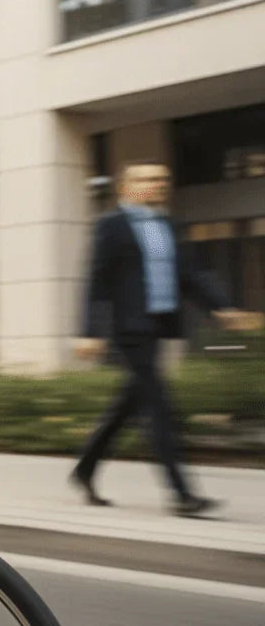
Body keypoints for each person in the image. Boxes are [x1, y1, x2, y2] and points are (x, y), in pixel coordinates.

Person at [72, 161, 261, 515]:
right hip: (130, 329)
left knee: (130, 403)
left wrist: (223, 308)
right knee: (158, 406)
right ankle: (182, 494)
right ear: (126, 187)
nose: (157, 183)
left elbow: (191, 275)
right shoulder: (111, 226)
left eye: (161, 178)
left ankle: (85, 467)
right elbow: (97, 282)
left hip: (160, 327)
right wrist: (90, 332)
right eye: (147, 178)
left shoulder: (170, 225)